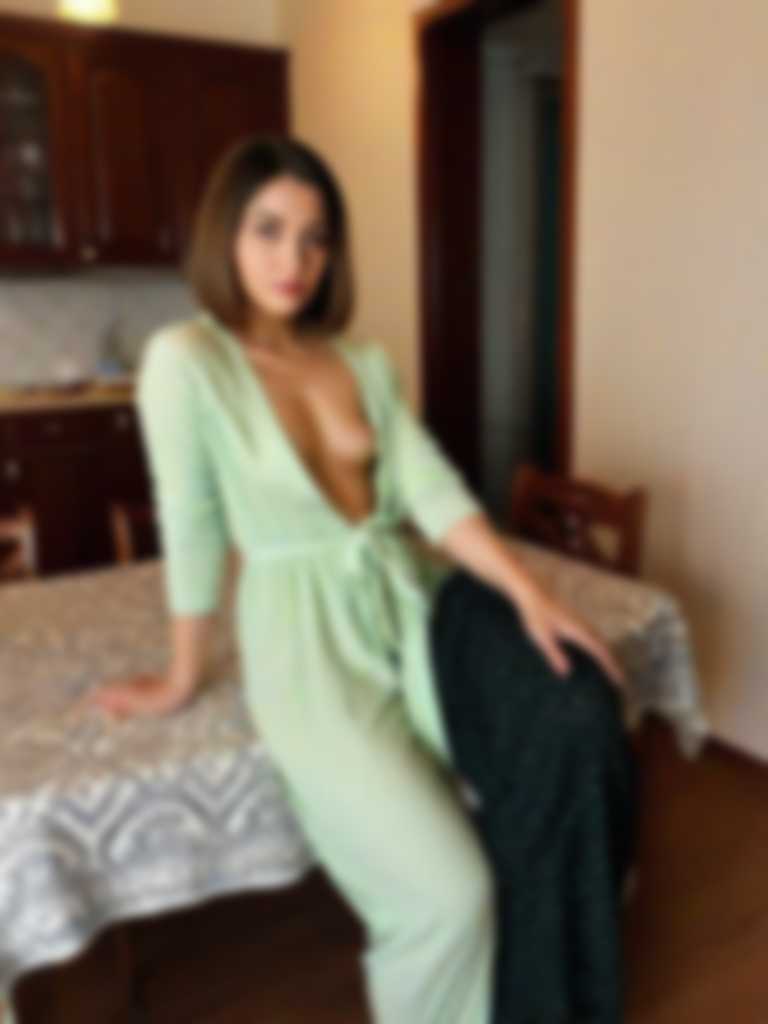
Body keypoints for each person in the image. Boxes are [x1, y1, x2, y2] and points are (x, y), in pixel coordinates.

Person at [85, 134, 633, 1024]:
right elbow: (189, 526)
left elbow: (430, 490)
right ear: (225, 233)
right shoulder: (187, 360)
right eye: (268, 230)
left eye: (315, 238)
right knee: (447, 896)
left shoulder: (363, 361)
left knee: (569, 719)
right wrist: (182, 675)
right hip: (304, 644)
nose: (293, 260)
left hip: (411, 608)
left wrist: (533, 596)